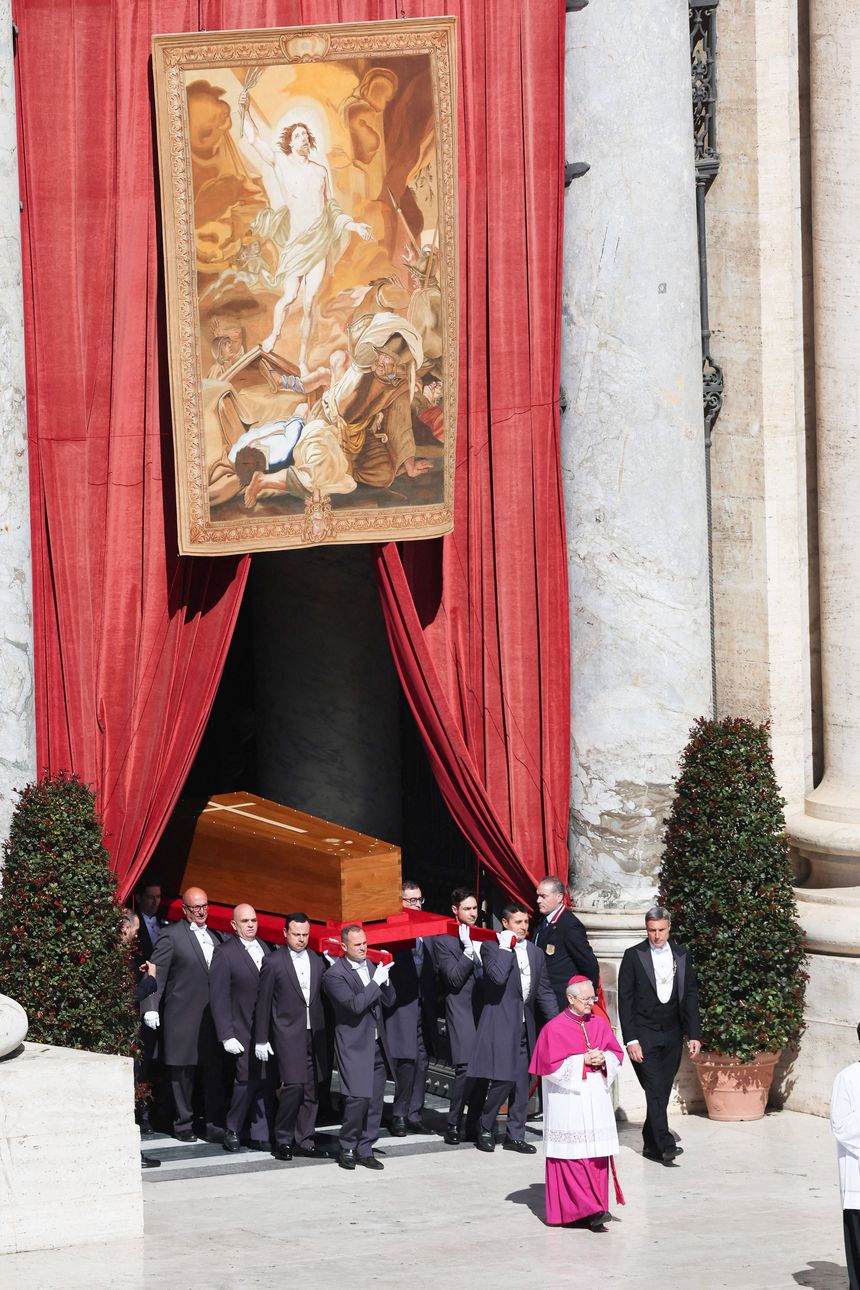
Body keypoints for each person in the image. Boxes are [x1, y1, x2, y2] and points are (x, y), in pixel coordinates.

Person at [238, 103, 372, 369]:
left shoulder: (320, 171)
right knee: (288, 298)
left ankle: (301, 360)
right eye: (296, 135)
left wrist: (354, 226)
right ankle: (274, 335)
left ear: (310, 141)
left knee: (309, 303)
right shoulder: (282, 163)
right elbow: (253, 139)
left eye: (305, 135)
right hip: (296, 244)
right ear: (289, 142)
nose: (302, 139)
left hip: (319, 243)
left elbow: (332, 207)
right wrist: (244, 110)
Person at [530, 976, 625, 1231]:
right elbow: (548, 1067)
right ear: (570, 999)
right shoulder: (553, 1028)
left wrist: (603, 1058)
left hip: (595, 1097)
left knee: (595, 1154)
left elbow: (617, 1053)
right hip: (567, 1100)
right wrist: (582, 1060)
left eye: (593, 998)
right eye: (585, 999)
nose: (591, 1004)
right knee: (572, 1157)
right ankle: (587, 1210)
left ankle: (597, 1207)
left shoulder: (599, 1023)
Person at [468, 901, 559, 1154]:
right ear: (505, 923)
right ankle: (485, 1126)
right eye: (518, 923)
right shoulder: (490, 947)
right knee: (503, 1079)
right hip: (499, 1023)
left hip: (523, 1025)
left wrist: (558, 1026)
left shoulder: (535, 952)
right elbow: (496, 978)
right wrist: (506, 948)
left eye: (526, 923)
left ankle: (515, 1134)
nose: (523, 927)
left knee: (522, 1081)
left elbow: (544, 992)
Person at [617, 905, 701, 1165]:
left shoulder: (682, 955)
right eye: (651, 930)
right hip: (644, 1035)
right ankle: (665, 1144)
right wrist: (631, 1040)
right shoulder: (633, 955)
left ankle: (650, 1143)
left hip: (673, 1033)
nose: (656, 935)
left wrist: (694, 1034)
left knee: (661, 1090)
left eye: (661, 930)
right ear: (647, 929)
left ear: (669, 928)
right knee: (654, 1088)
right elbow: (625, 1001)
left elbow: (689, 997)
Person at [143, 886, 226, 1143]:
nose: (201, 911)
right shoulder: (171, 935)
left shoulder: (217, 936)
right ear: (185, 909)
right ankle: (183, 1124)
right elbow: (156, 974)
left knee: (213, 1073)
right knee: (183, 1075)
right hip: (183, 1017)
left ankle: (213, 1124)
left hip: (213, 1018)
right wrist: (151, 1007)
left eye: (204, 906)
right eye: (195, 907)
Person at [254, 912, 330, 1162]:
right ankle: (283, 1138)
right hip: (287, 1033)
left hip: (314, 1032)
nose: (301, 939)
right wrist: (261, 1039)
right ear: (285, 933)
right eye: (296, 934)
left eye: (305, 935)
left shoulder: (317, 960)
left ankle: (305, 1139)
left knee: (311, 1088)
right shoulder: (274, 961)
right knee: (294, 1086)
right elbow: (263, 1002)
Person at [322, 925, 395, 1171]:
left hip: (376, 1043)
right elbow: (354, 1005)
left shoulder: (372, 966)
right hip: (353, 1045)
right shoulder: (335, 975)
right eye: (357, 945)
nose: (363, 948)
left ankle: (366, 1148)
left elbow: (389, 1000)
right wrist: (375, 982)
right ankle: (348, 1146)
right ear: (344, 947)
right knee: (357, 1099)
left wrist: (385, 981)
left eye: (364, 943)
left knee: (375, 1100)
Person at [209, 903, 273, 1153]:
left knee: (266, 1081)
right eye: (245, 921)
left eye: (254, 920)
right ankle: (233, 1129)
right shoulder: (225, 953)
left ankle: (260, 1132)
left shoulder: (265, 947)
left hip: (266, 1028)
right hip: (242, 1027)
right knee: (245, 1081)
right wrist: (226, 1034)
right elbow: (218, 996)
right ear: (234, 926)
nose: (251, 925)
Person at [429, 886, 487, 1144]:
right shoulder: (444, 940)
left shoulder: (484, 937)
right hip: (460, 1009)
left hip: (483, 1010)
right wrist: (467, 952)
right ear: (455, 910)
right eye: (467, 909)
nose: (473, 914)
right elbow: (452, 979)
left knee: (483, 1069)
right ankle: (453, 1122)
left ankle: (474, 1123)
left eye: (475, 908)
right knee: (465, 1068)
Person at [384, 880, 436, 1137]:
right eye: (410, 900)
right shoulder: (391, 929)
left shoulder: (427, 930)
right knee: (406, 1060)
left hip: (422, 1005)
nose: (416, 905)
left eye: (419, 900)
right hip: (400, 1006)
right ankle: (399, 1114)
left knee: (422, 1060)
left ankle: (415, 1113)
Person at [532, 875, 600, 1009]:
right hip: (541, 997)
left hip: (560, 1000)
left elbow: (588, 963)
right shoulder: (542, 921)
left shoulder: (569, 925)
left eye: (543, 896)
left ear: (559, 897)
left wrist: (589, 995)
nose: (538, 900)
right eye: (538, 896)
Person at [134, 882, 167, 960]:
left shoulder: (164, 923)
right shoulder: (133, 923)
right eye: (150, 897)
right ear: (139, 898)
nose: (155, 902)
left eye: (158, 897)